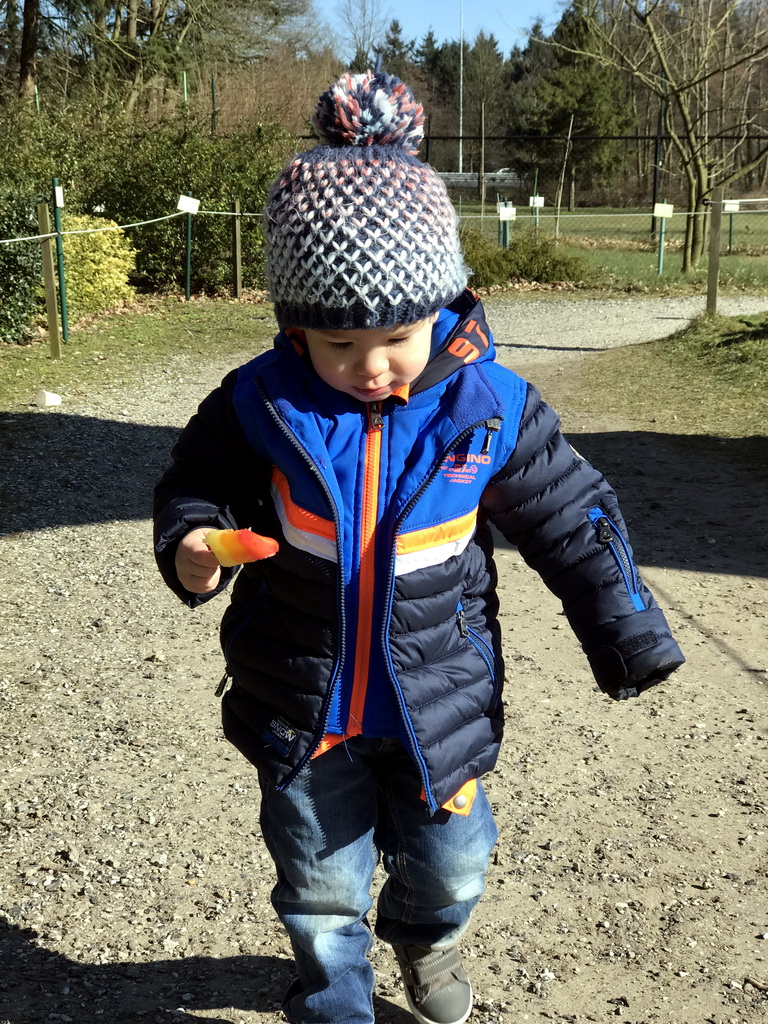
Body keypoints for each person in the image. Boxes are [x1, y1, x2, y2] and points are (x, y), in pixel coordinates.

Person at [153, 69, 684, 1024]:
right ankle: (335, 999)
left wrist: (628, 629)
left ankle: (427, 939)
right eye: (335, 345)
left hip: (440, 699)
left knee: (450, 868)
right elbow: (194, 478)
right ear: (294, 328)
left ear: (442, 306)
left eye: (396, 337)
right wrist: (190, 540)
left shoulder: (491, 409)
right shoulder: (260, 401)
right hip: (301, 703)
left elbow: (573, 518)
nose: (369, 367)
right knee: (317, 885)